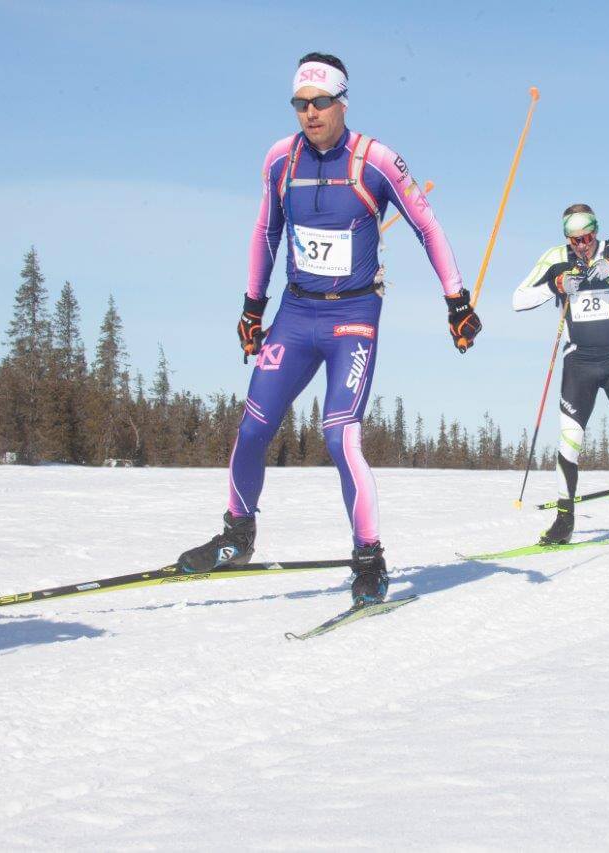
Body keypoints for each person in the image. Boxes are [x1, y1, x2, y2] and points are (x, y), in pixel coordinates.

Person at [177, 52, 481, 607]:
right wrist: (252, 308)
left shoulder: (377, 160)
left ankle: (368, 559)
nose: (310, 113)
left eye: (320, 102)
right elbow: (266, 232)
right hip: (295, 314)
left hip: (353, 318)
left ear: (342, 101)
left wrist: (456, 301)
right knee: (252, 427)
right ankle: (236, 536)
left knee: (340, 435)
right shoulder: (279, 160)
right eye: (300, 103)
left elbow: (427, 226)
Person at [513, 204, 609, 543]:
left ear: (595, 232)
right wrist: (555, 285)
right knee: (569, 442)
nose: (581, 246)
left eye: (586, 238)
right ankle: (564, 521)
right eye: (574, 240)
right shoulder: (555, 257)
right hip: (578, 364)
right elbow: (518, 299)